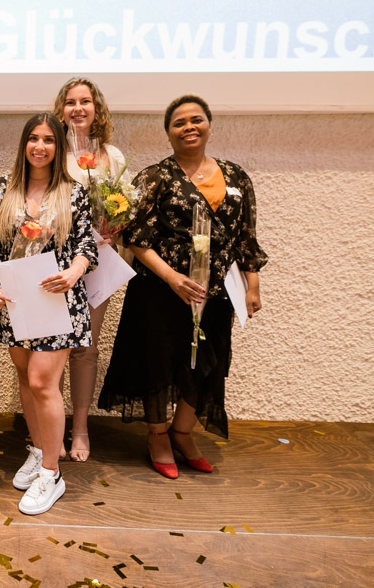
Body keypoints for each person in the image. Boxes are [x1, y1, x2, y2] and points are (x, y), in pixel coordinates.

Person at [98, 94, 266, 478]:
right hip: (160, 292)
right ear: (169, 133)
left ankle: (183, 432)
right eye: (179, 122)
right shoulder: (155, 177)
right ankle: (158, 436)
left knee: (208, 364)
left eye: (196, 120)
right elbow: (135, 239)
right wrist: (173, 278)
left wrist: (253, 286)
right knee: (158, 363)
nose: (189, 127)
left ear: (209, 126)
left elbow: (246, 238)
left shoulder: (237, 177)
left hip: (216, 294)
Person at [0, 112, 97, 515]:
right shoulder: (3, 189)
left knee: (42, 381)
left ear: (58, 146)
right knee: (26, 380)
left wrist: (73, 273)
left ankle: (52, 473)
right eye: (33, 138)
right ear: (24, 144)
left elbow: (87, 246)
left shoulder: (73, 192)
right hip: (16, 301)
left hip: (58, 300)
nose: (40, 146)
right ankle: (38, 450)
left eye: (48, 139)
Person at [52, 76, 129, 462]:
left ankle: (80, 427)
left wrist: (115, 227)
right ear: (61, 110)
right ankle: (51, 426)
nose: (78, 108)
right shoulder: (51, 151)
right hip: (56, 264)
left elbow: (123, 206)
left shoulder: (112, 157)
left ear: (96, 109)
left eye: (85, 101)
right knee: (53, 347)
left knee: (85, 348)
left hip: (97, 264)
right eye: (70, 102)